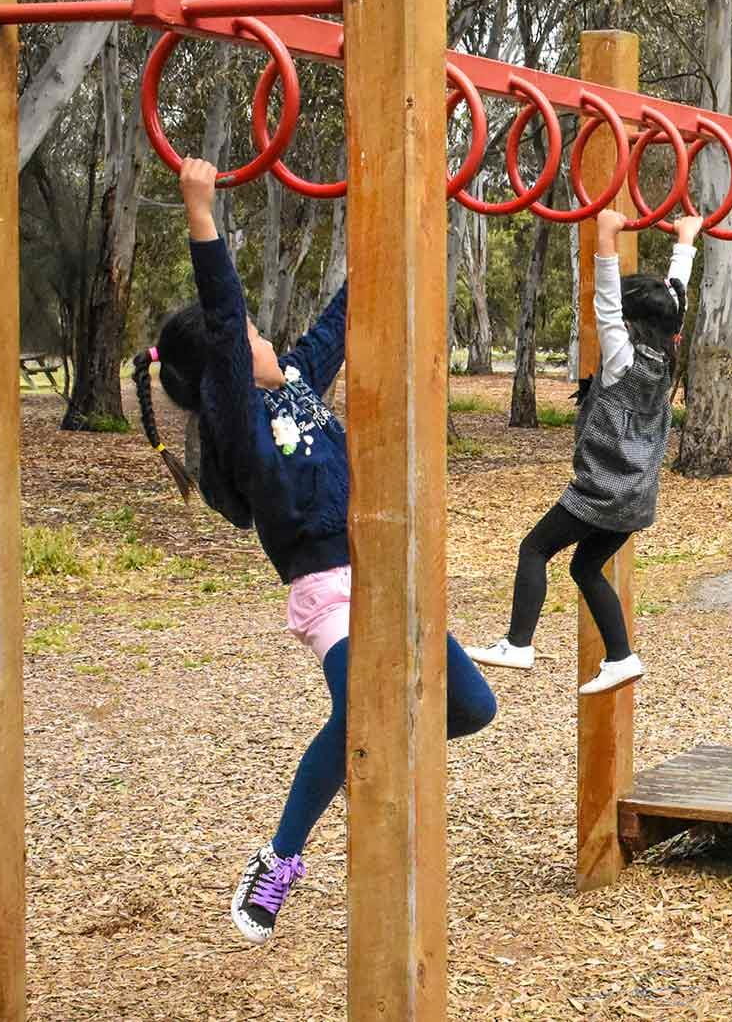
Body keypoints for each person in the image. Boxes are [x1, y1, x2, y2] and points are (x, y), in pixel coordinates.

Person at [133, 158, 496, 944]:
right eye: (254, 337)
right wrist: (202, 213)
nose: (265, 339)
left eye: (263, 336)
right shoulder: (238, 428)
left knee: (472, 707)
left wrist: (397, 209)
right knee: (363, 710)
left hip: (384, 578)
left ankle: (365, 763)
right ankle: (279, 859)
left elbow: (348, 309)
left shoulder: (293, 380)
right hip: (327, 587)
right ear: (224, 372)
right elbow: (228, 325)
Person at [467, 208, 698, 695]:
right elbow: (675, 300)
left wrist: (605, 237)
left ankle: (518, 642)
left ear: (631, 323)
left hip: (600, 492)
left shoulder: (622, 360)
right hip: (637, 498)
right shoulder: (667, 355)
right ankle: (621, 656)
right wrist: (685, 243)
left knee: (535, 549)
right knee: (584, 566)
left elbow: (607, 307)